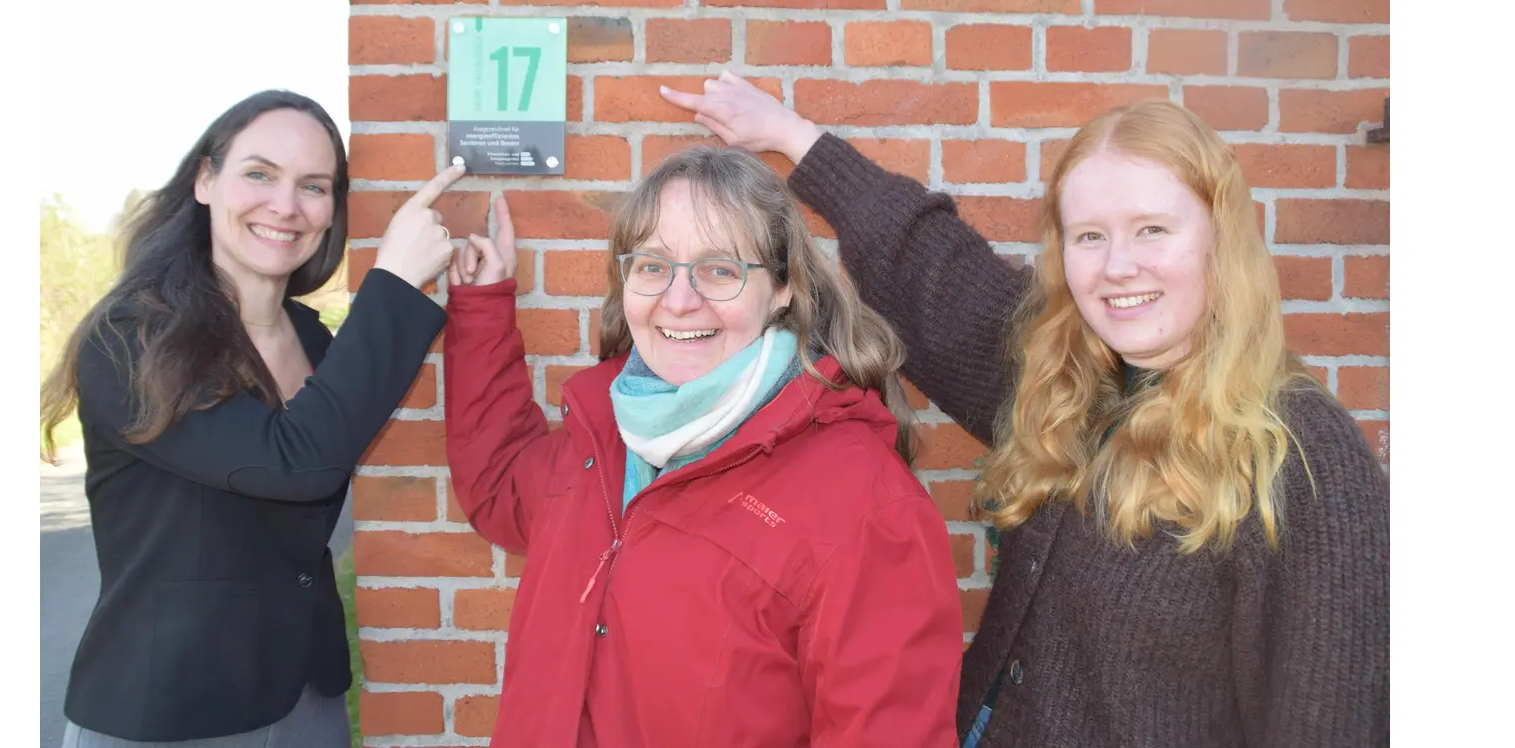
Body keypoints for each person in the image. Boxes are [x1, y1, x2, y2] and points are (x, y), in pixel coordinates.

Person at [661, 73, 1389, 748]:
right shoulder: (1062, 385)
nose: (1118, 266)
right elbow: (934, 273)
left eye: (1153, 230)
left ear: (1220, 241)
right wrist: (793, 138)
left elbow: (1334, 720)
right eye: (1090, 236)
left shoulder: (1299, 455)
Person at [439, 146, 963, 747]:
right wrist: (482, 309)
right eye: (653, 265)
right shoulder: (604, 433)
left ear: (784, 288)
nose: (680, 300)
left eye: (720, 269)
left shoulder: (866, 505)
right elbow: (501, 483)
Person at [40, 90, 462, 746]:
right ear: (206, 180)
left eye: (313, 186)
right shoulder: (133, 339)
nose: (285, 205)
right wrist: (397, 284)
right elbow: (292, 463)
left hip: (302, 700)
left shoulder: (319, 345)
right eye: (259, 174)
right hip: (168, 711)